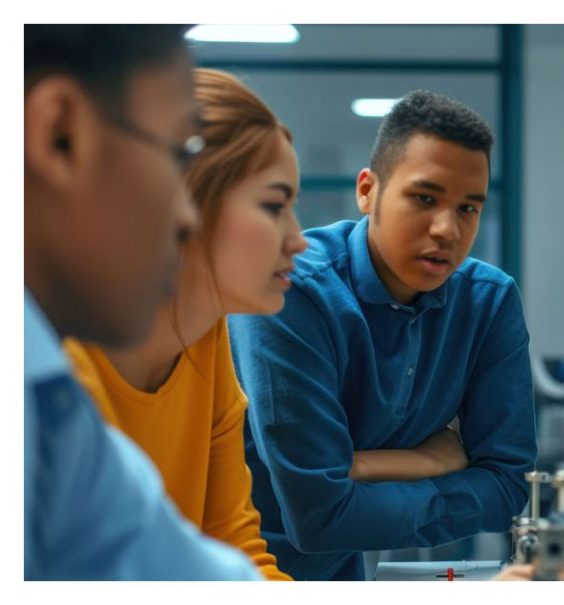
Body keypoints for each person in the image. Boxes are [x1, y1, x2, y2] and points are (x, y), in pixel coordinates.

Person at [229, 90, 537, 580]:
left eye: (468, 209)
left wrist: (360, 468)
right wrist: (428, 463)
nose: (447, 230)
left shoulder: (487, 301)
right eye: (424, 198)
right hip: (235, 570)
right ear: (367, 191)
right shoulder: (289, 289)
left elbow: (508, 487)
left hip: (345, 572)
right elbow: (319, 516)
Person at [24, 25, 261, 579]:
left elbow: (187, 570)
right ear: (60, 134)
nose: (186, 215)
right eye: (180, 156)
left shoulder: (49, 408)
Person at [62, 68, 306, 580]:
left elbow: (237, 548)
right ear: (187, 200)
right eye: (273, 206)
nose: (298, 239)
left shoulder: (206, 332)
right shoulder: (58, 356)